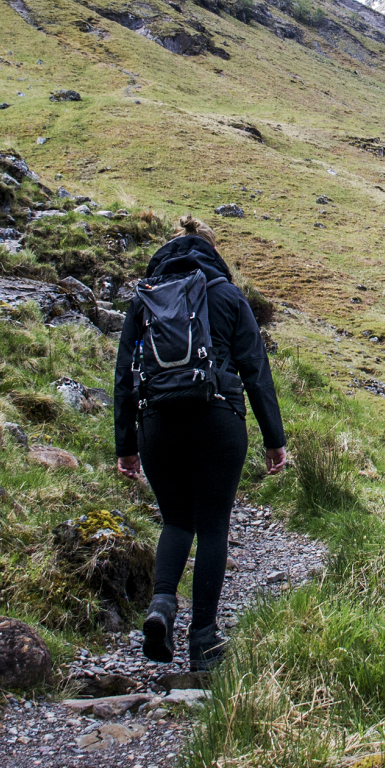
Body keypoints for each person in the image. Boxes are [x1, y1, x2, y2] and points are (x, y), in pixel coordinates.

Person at [114, 217, 287, 674]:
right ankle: (204, 641)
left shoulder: (145, 299)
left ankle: (163, 605)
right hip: (218, 419)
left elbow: (124, 378)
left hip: (158, 422)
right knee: (212, 526)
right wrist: (274, 440)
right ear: (212, 251)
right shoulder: (229, 296)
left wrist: (126, 445)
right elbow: (256, 369)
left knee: (175, 519)